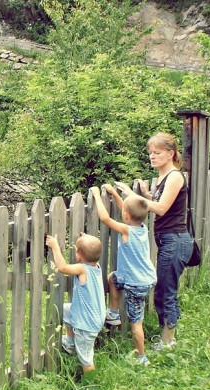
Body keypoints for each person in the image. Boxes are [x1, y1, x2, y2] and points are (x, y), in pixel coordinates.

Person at [115, 132, 192, 351]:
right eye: (150, 153)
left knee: (166, 290)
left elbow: (161, 209)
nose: (152, 156)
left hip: (175, 240)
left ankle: (168, 340)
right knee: (164, 288)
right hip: (168, 240)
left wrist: (133, 196)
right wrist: (148, 194)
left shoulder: (175, 176)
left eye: (157, 153)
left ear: (170, 154)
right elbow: (159, 202)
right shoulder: (162, 178)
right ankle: (167, 334)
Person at [90, 184, 157, 366]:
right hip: (146, 278)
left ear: (126, 216)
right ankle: (113, 313)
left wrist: (97, 194)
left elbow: (105, 218)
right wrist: (114, 194)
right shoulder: (141, 227)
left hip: (136, 283)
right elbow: (127, 210)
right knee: (113, 278)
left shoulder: (127, 230)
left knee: (137, 323)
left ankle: (141, 357)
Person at [45, 233, 105, 373]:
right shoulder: (96, 266)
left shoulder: (82, 269)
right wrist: (86, 240)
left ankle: (91, 384)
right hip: (93, 315)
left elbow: (63, 267)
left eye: (77, 250)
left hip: (86, 324)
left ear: (80, 256)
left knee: (86, 358)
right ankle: (71, 342)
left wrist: (55, 246)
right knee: (66, 309)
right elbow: (91, 249)